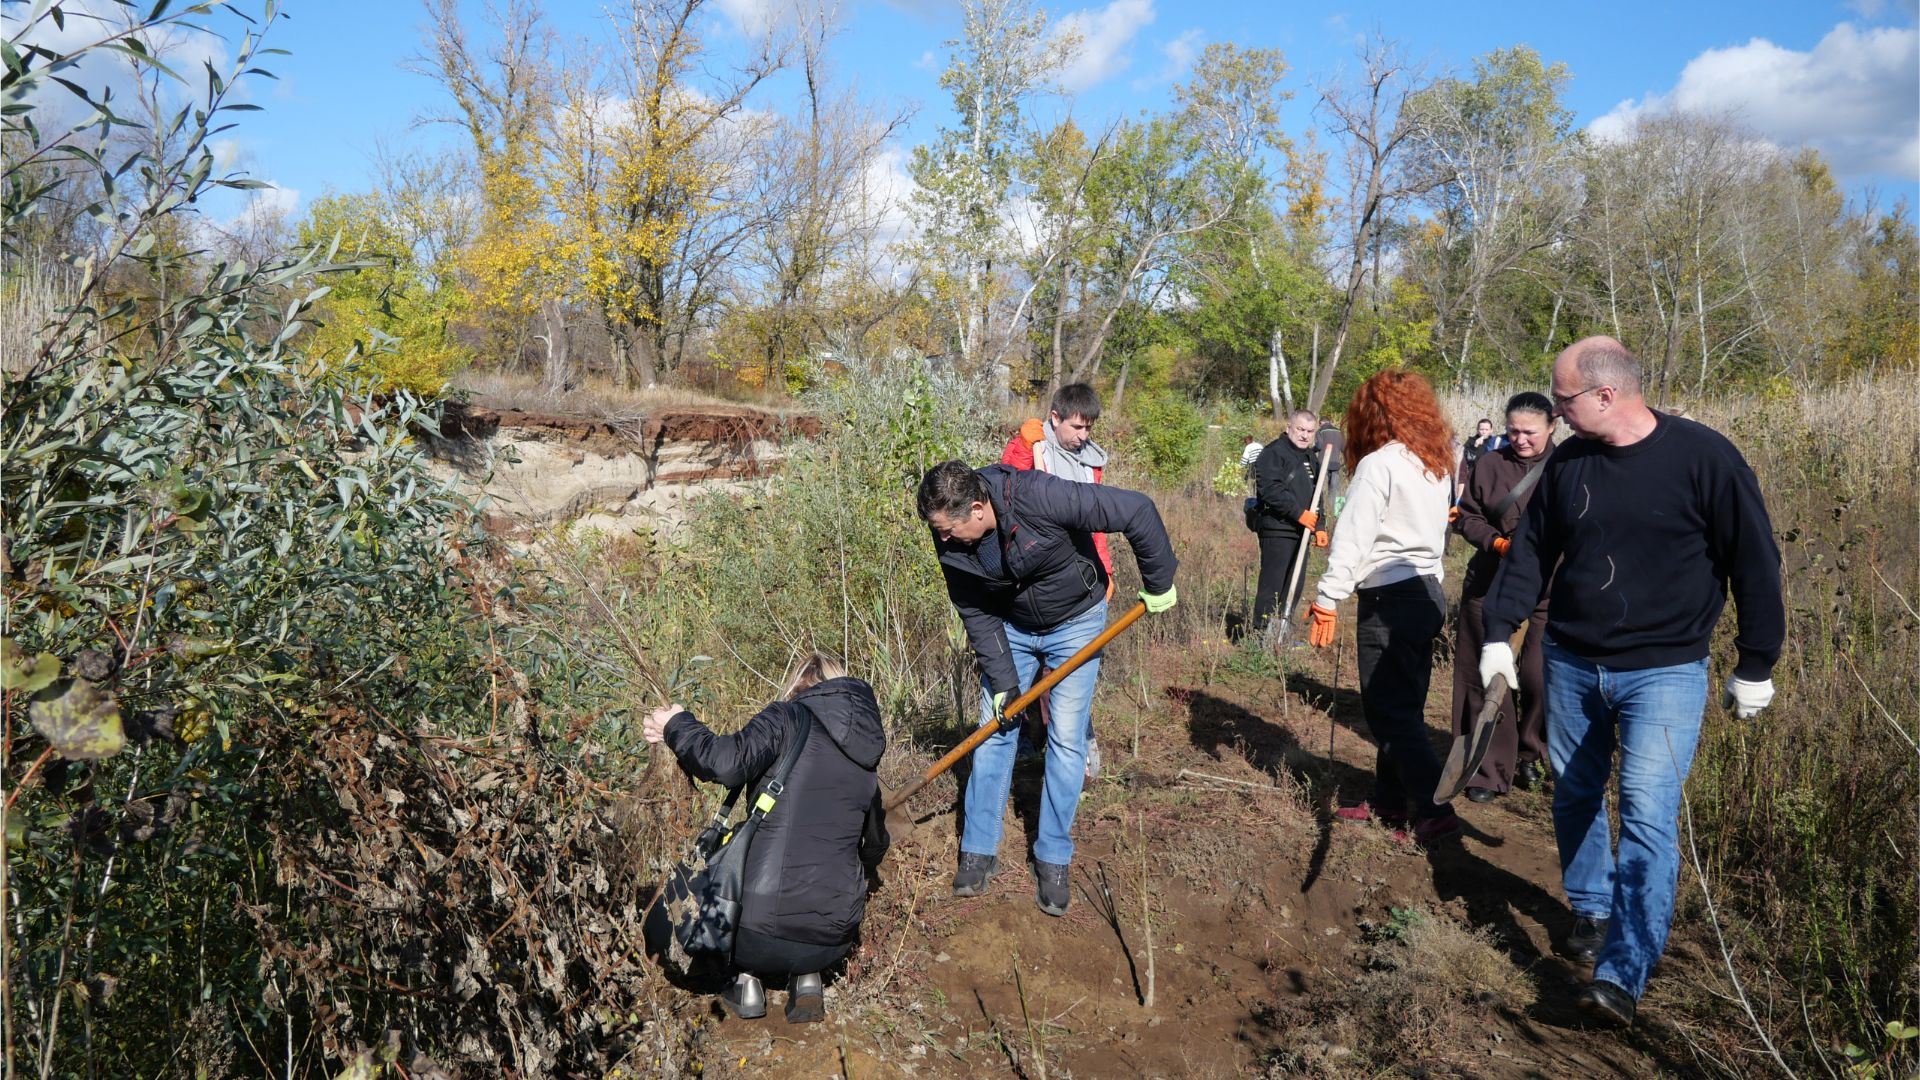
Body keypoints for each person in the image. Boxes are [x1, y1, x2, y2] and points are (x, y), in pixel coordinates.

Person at [1479, 336, 1783, 1028]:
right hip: (1573, 661)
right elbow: (1531, 552)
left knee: (1647, 814)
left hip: (1665, 672)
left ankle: (1623, 971)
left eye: (1562, 400)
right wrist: (1501, 631)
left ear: (1606, 395)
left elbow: (1755, 561)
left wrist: (1757, 661)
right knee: (1576, 793)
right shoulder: (1570, 465)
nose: (1553, 411)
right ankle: (1591, 908)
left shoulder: (1705, 459)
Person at [917, 460, 1178, 916]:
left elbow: (1136, 510)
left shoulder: (1041, 496)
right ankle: (978, 849)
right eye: (937, 531)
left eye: (946, 529)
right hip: (1011, 629)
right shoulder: (951, 539)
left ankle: (1053, 856)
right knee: (995, 728)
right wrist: (1002, 681)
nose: (941, 539)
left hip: (1076, 621)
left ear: (978, 509)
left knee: (1066, 736)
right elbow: (974, 608)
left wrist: (1158, 582)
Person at [643, 653, 889, 1024]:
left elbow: (724, 762)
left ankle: (746, 981)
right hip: (834, 938)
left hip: (756, 933)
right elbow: (875, 847)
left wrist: (676, 724)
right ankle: (807, 979)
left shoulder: (787, 717)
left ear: (799, 686)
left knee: (745, 874)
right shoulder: (866, 752)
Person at [1304, 371, 1462, 845]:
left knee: (1388, 711)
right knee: (1405, 705)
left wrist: (1327, 597)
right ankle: (1390, 803)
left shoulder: (1380, 464)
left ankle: (1434, 808)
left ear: (1371, 414)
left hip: (1392, 596)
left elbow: (1354, 538)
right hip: (1427, 592)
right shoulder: (1434, 462)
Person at [1449, 392, 1557, 803]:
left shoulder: (1568, 467)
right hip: (1491, 581)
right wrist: (1496, 543)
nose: (1521, 439)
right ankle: (1487, 769)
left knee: (1537, 674)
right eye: (1513, 431)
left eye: (1529, 432)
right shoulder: (1490, 463)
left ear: (1551, 427)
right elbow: (1466, 515)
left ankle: (1531, 750)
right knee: (1483, 673)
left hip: (1550, 586)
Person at [1000, 383, 1112, 777]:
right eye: (1077, 427)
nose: (1083, 437)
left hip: (1082, 581)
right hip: (1033, 581)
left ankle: (1079, 751)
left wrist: (1105, 569)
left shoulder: (1091, 463)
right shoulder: (1033, 451)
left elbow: (1096, 523)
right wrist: (1019, 444)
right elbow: (1004, 486)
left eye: (1089, 428)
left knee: (1072, 674)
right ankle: (1024, 744)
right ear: (1055, 419)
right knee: (1025, 675)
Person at [1250, 409, 1330, 637]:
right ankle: (1260, 635)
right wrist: (1298, 513)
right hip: (1277, 528)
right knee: (1272, 585)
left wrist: (1320, 526)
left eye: (1310, 431)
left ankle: (1281, 636)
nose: (1305, 435)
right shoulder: (1273, 453)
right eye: (1300, 429)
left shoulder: (1309, 457)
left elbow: (1317, 496)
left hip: (1302, 531)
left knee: (1293, 587)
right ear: (1289, 427)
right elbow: (1270, 490)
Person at [1457, 418, 1504, 500]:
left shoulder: (1494, 443)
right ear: (1477, 430)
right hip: (1471, 476)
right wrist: (1475, 446)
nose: (1484, 432)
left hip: (1488, 477)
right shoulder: (1471, 441)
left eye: (1486, 429)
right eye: (1481, 429)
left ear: (1491, 430)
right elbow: (1467, 460)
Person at [1314, 417, 1346, 515]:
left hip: (1323, 463)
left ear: (1321, 423)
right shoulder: (1339, 432)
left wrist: (1311, 451)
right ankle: (1337, 514)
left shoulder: (1320, 431)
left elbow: (1319, 446)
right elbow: (1344, 448)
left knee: (1321, 488)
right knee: (1335, 489)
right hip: (1336, 464)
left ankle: (1322, 512)